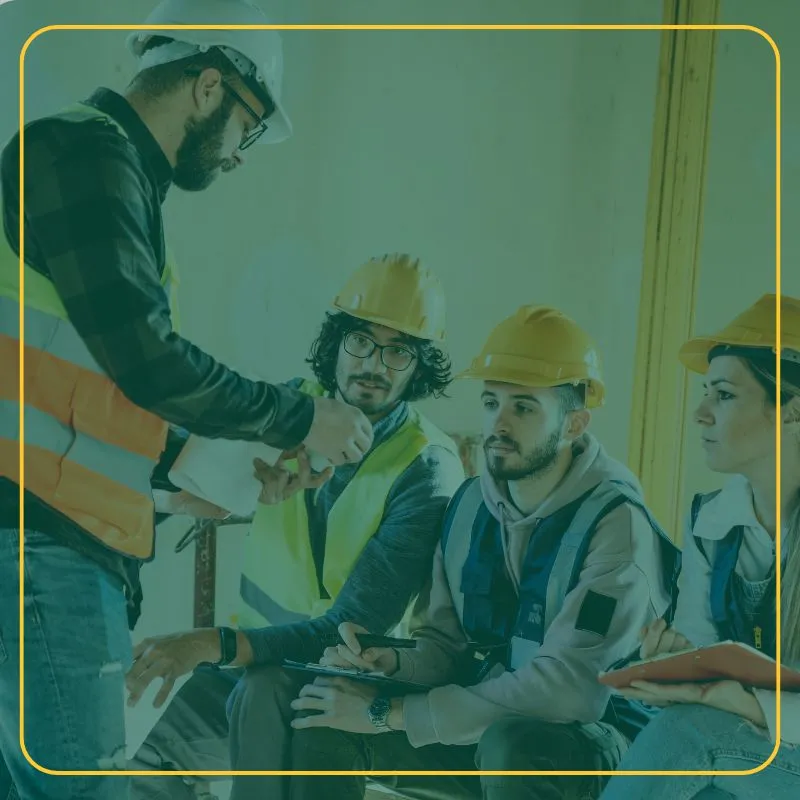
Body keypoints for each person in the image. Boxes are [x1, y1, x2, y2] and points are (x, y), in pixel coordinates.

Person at [0, 1, 372, 797]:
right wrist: (302, 415)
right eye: (250, 125)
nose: (242, 155)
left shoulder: (105, 173)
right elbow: (149, 361)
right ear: (209, 86)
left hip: (41, 542)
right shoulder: (83, 152)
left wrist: (204, 474)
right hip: (39, 550)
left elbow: (86, 392)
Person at [226, 305, 681, 800]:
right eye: (491, 403)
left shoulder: (616, 528)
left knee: (516, 747)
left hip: (598, 739)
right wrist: (390, 665)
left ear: (574, 424)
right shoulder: (469, 506)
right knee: (327, 713)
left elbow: (568, 692)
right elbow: (445, 646)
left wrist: (387, 714)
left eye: (523, 408)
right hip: (482, 719)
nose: (498, 425)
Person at [125, 253, 466, 800]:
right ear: (335, 344)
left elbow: (347, 629)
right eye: (360, 341)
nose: (374, 364)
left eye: (398, 350)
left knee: (261, 697)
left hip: (348, 679)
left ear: (418, 367)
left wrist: (204, 642)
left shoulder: (427, 467)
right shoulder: (290, 406)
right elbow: (179, 482)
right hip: (254, 662)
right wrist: (213, 489)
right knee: (137, 752)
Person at [600, 293, 800, 800]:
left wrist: (729, 699)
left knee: (688, 734)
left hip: (769, 742)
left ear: (793, 409)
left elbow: (714, 708)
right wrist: (679, 665)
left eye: (725, 395)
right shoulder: (711, 520)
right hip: (762, 751)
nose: (701, 414)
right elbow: (702, 649)